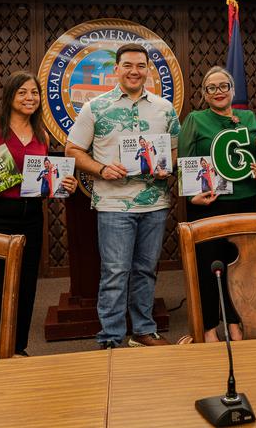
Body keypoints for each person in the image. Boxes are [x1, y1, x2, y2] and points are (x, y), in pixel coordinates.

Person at [0, 71, 78, 358]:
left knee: (24, 284)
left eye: (34, 93)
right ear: (10, 96)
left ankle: (17, 348)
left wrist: (64, 184)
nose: (29, 98)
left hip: (31, 216)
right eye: (22, 92)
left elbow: (44, 181)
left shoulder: (42, 134)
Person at [65, 43, 179, 349]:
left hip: (154, 203)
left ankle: (143, 330)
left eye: (140, 66)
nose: (134, 71)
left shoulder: (164, 108)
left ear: (148, 71)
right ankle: (112, 337)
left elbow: (174, 149)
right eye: (127, 65)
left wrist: (166, 168)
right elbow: (73, 150)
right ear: (116, 70)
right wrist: (101, 169)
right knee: (115, 272)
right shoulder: (95, 107)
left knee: (145, 270)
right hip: (114, 204)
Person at [178, 65, 256, 342]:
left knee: (239, 266)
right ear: (204, 94)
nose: (218, 92)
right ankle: (208, 326)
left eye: (223, 86)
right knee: (209, 265)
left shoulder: (249, 117)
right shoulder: (195, 119)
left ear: (232, 90)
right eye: (211, 88)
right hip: (208, 204)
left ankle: (235, 322)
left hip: (245, 202)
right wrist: (190, 196)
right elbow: (185, 162)